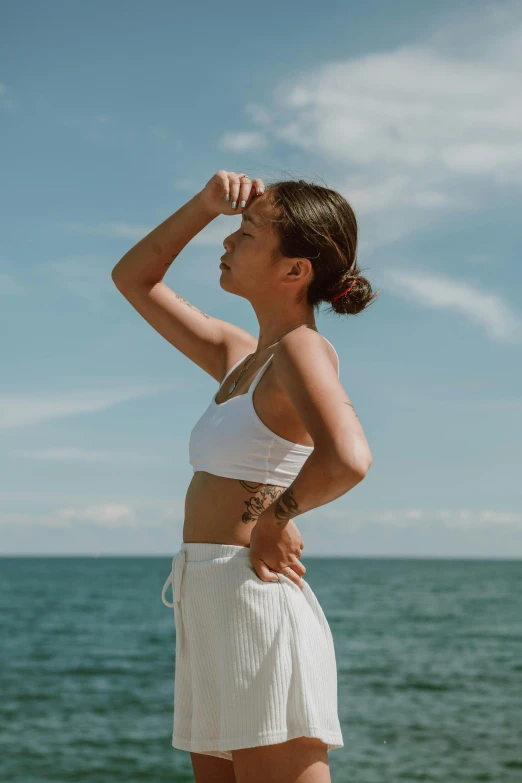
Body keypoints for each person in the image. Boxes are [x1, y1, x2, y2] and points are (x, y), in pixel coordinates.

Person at [111, 171, 377, 783]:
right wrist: (206, 205)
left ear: (295, 270)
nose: (226, 243)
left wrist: (277, 519)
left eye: (247, 233)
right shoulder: (241, 356)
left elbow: (349, 457)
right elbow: (134, 278)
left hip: (252, 598)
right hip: (206, 598)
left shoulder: (301, 350)